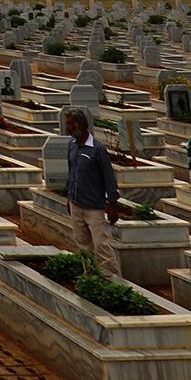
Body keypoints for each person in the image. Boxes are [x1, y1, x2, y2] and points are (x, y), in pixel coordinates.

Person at [64, 106, 120, 271]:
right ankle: (89, 273)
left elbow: (108, 176)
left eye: (71, 124)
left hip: (93, 206)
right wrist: (69, 197)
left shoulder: (97, 149)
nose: (68, 128)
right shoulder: (72, 146)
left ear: (81, 125)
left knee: (101, 245)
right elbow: (71, 173)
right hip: (76, 203)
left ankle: (113, 280)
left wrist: (113, 203)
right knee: (82, 243)